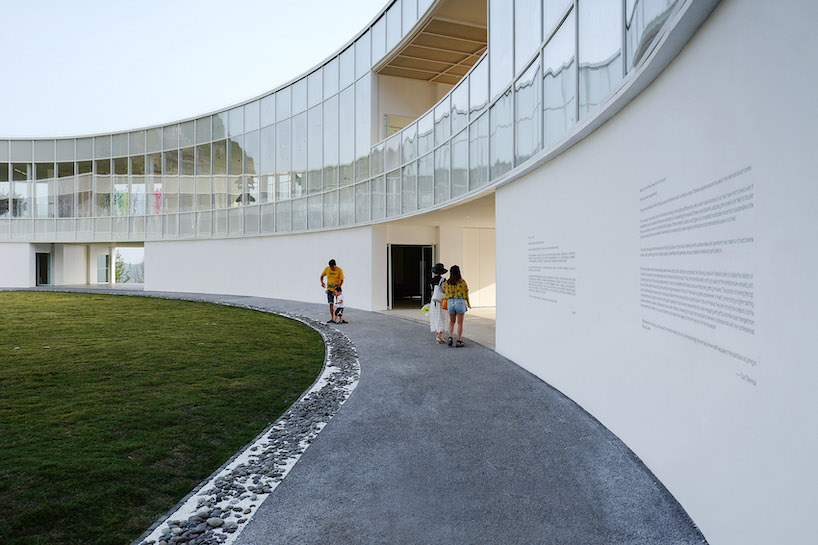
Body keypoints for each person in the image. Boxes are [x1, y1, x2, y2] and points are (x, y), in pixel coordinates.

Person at [444, 265, 470, 347]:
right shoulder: (462, 282)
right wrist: (468, 303)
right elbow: (466, 292)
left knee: (452, 322)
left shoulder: (447, 282)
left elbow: (445, 292)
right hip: (460, 302)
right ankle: (459, 340)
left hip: (450, 302)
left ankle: (450, 337)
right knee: (460, 322)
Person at [320, 259, 344, 323]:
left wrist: (338, 289)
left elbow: (342, 280)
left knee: (339, 304)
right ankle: (333, 318)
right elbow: (322, 276)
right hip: (330, 289)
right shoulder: (327, 269)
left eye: (333, 267)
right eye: (330, 267)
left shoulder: (339, 270)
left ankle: (340, 319)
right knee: (331, 303)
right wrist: (322, 283)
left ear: (335, 265)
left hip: (336, 291)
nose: (332, 268)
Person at [428, 263, 448, 343]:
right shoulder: (443, 280)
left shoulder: (431, 280)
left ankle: (438, 335)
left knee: (435, 317)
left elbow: (432, 291)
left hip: (433, 301)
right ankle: (440, 336)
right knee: (441, 317)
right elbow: (443, 290)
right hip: (440, 301)